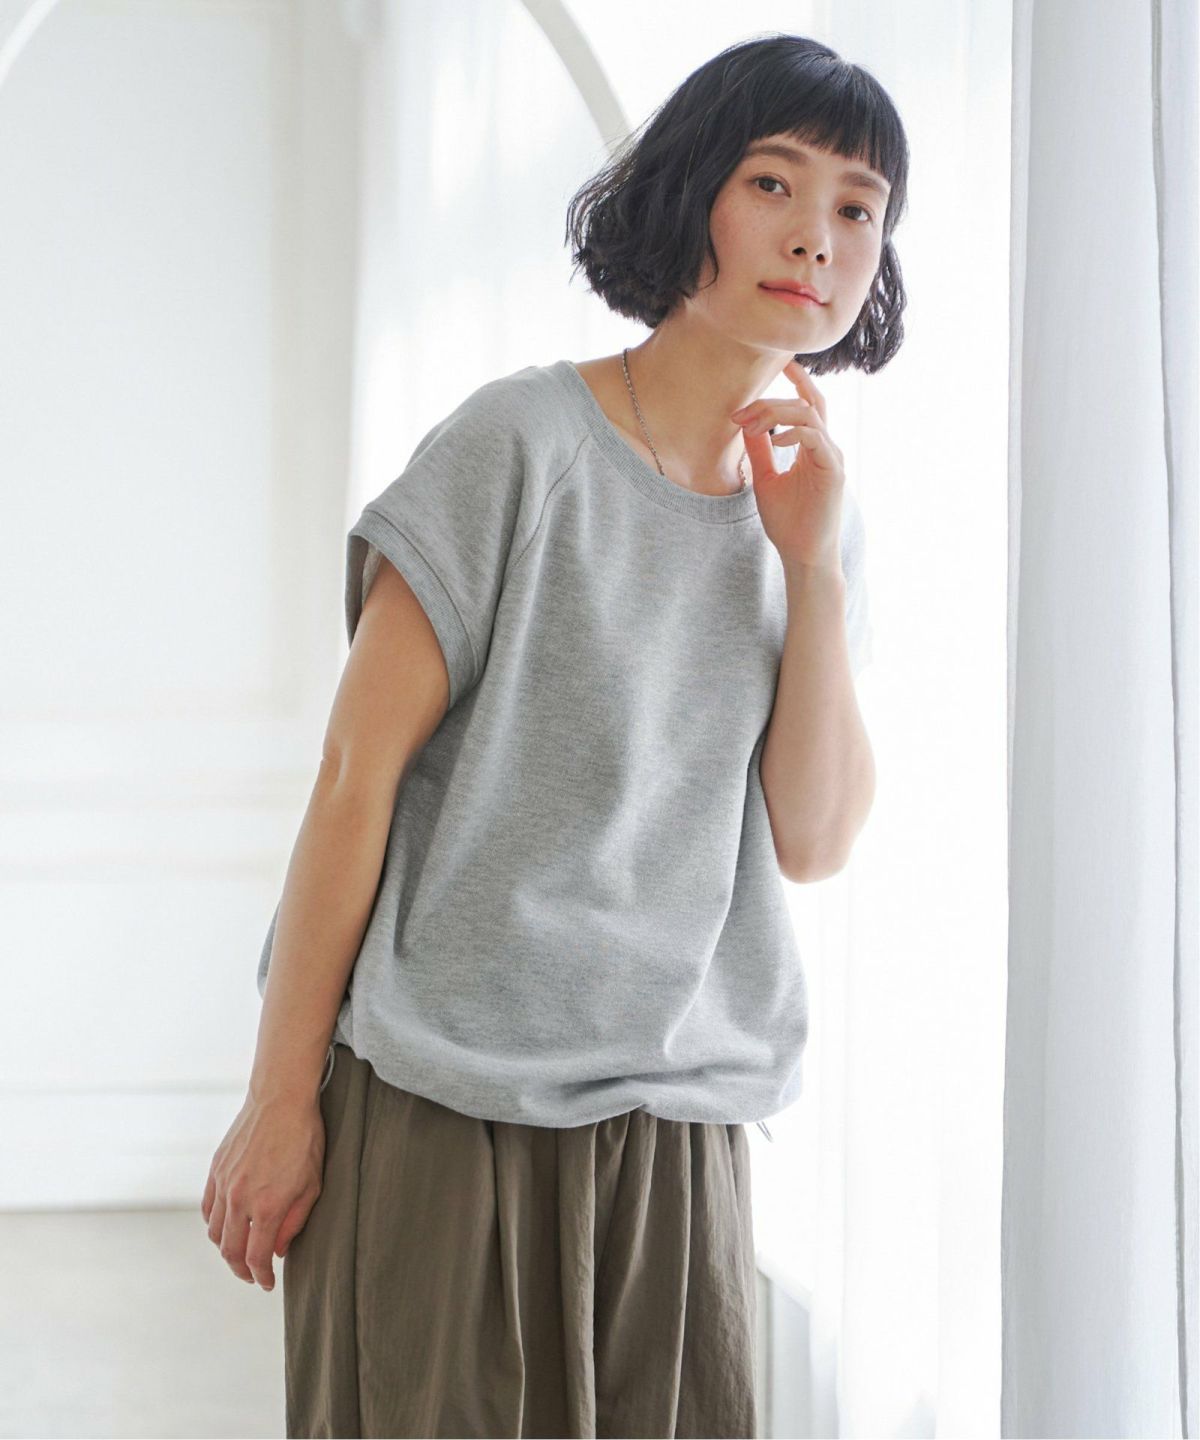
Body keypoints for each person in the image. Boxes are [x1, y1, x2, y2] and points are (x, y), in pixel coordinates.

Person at [201, 30, 909, 1440]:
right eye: (774, 183)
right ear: (694, 192)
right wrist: (280, 1100)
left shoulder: (813, 516)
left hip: (681, 1133)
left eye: (857, 207)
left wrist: (814, 568)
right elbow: (352, 782)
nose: (816, 238)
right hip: (446, 1105)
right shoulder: (519, 445)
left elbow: (816, 839)